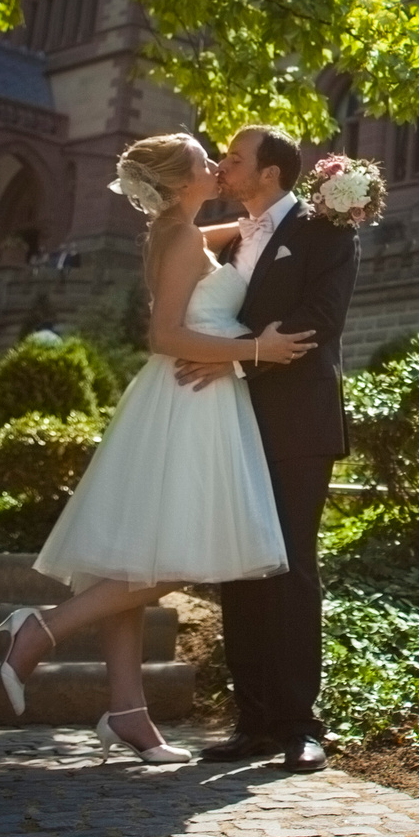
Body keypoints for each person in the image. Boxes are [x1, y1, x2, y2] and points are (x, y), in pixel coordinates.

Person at [0, 133, 317, 763]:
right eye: (206, 162)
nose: (218, 168)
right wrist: (257, 350)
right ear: (179, 182)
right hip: (188, 401)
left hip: (191, 399)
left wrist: (303, 215)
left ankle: (128, 712)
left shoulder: (186, 232)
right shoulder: (176, 238)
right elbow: (164, 334)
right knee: (172, 559)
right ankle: (41, 628)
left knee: (132, 556)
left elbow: (252, 231)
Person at [174, 124, 358, 774]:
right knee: (236, 570)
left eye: (234, 157)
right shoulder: (237, 239)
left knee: (288, 567)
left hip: (297, 424)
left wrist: (239, 361)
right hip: (233, 423)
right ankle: (251, 720)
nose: (224, 165)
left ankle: (301, 724)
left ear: (271, 173)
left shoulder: (324, 229)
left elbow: (320, 319)